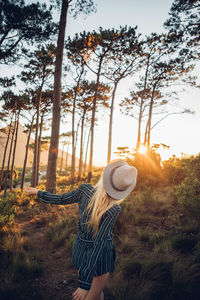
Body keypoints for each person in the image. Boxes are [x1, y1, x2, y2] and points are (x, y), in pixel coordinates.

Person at [25, 159, 137, 300]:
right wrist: (84, 284)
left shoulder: (85, 190)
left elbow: (60, 199)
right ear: (122, 189)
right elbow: (99, 244)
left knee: (96, 293)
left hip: (81, 251)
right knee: (96, 293)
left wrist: (39, 193)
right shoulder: (114, 208)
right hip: (101, 258)